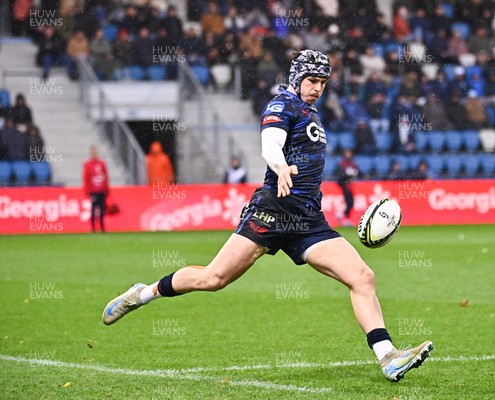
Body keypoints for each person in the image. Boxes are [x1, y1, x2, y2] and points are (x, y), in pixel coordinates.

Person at [101, 50, 433, 383]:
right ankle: (142, 294)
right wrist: (280, 166)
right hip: (272, 209)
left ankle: (387, 356)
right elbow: (269, 144)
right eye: (311, 81)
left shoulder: (311, 112)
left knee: (363, 277)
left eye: (322, 82)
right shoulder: (282, 105)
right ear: (296, 78)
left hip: (307, 218)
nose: (317, 88)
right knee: (213, 279)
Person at [83, 146, 110, 233]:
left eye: (95, 152)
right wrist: (87, 191)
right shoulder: (87, 165)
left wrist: (107, 189)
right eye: (93, 152)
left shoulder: (102, 163)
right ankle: (93, 228)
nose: (94, 154)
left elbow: (105, 176)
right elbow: (86, 178)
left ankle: (102, 227)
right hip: (93, 191)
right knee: (93, 210)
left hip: (102, 190)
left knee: (102, 210)